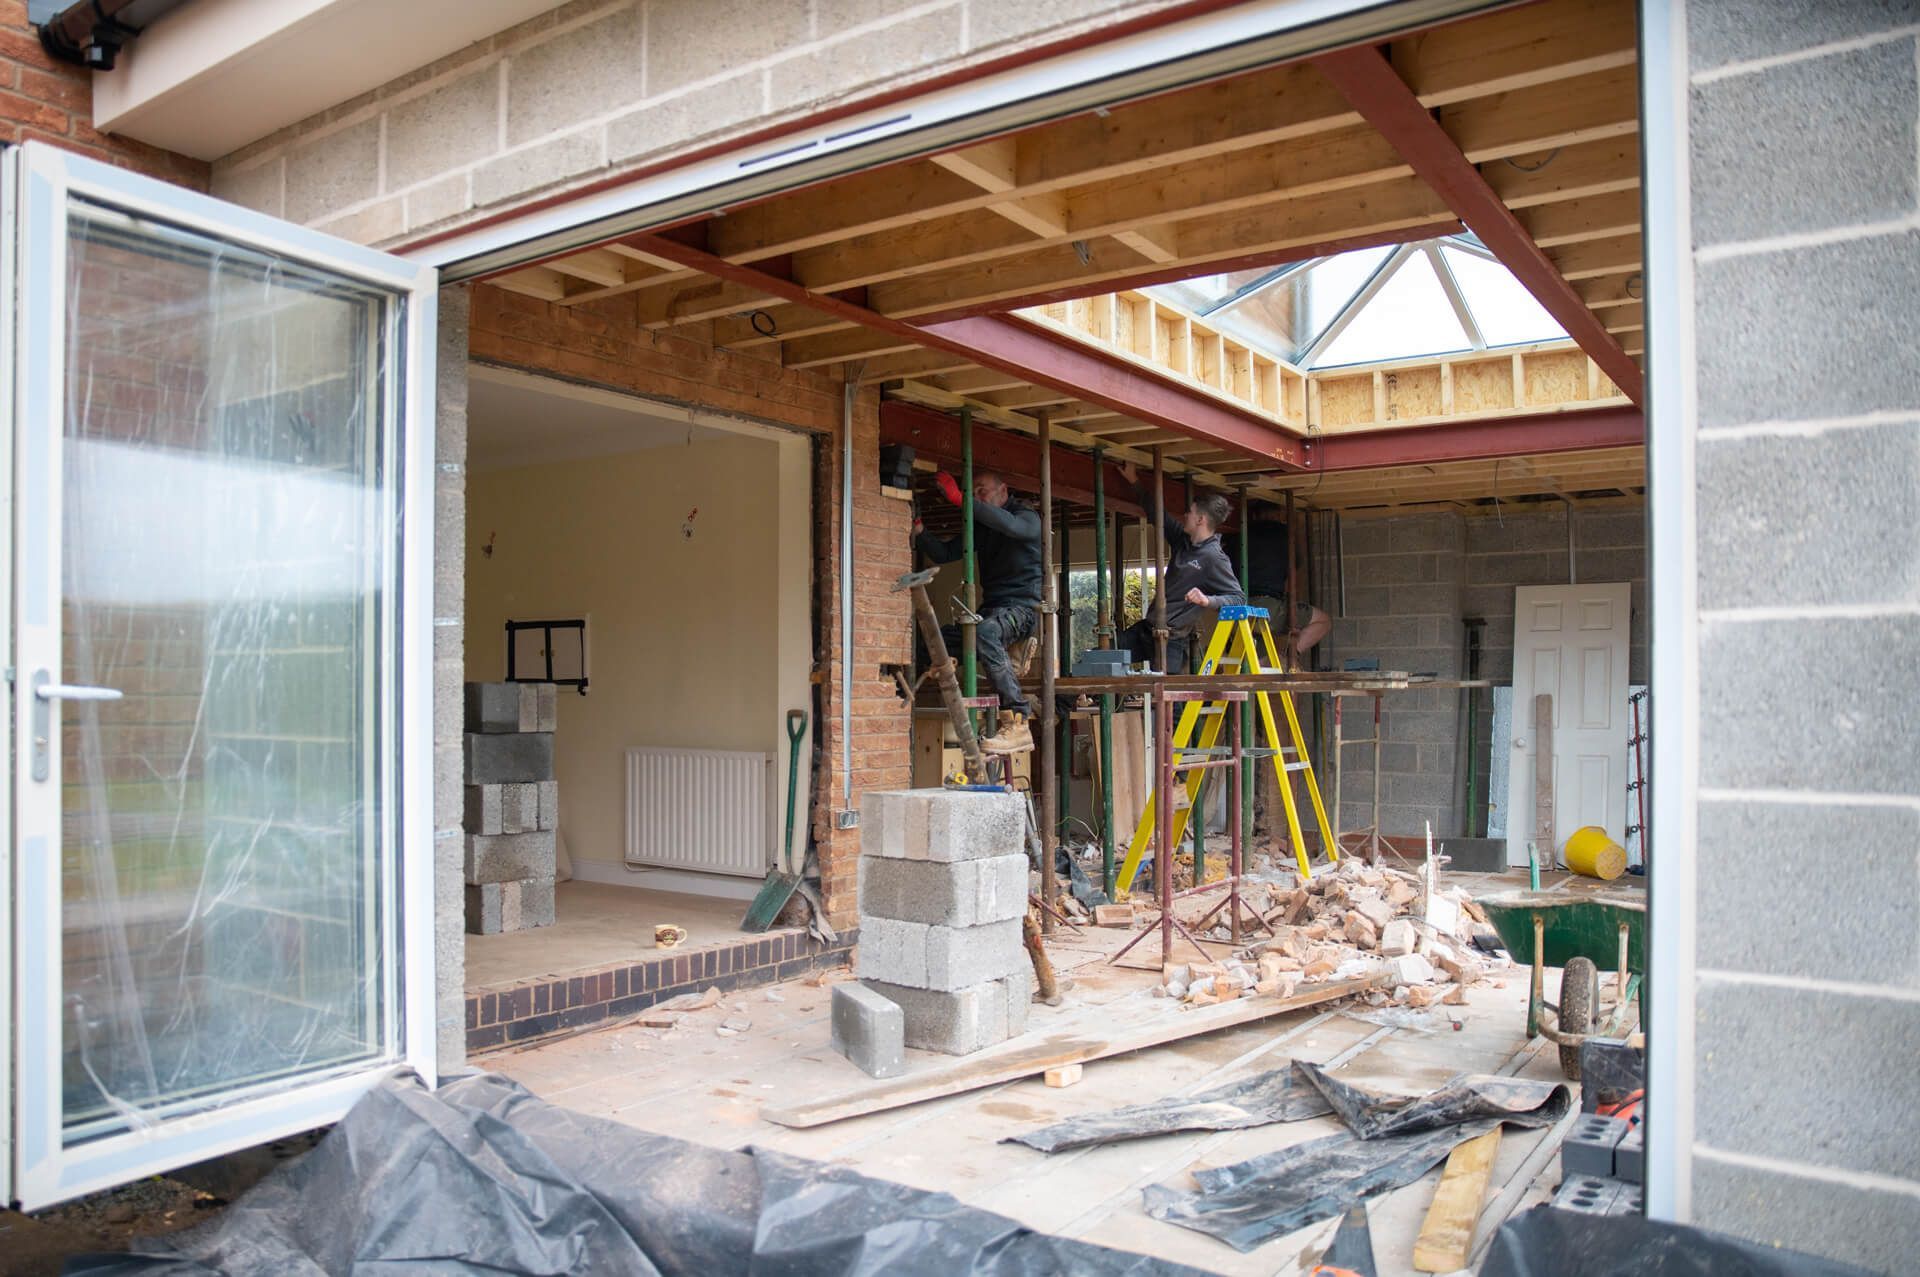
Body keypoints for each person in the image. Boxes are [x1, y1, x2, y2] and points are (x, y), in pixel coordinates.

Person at [914, 468, 1042, 752]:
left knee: (984, 632)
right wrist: (920, 529)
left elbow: (1013, 528)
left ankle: (1018, 720)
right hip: (992, 613)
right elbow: (945, 553)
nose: (976, 497)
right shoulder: (982, 527)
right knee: (930, 639)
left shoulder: (1027, 517)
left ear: (1004, 491)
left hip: (1021, 611)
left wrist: (961, 500)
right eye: (972, 493)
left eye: (981, 490)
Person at [1116, 462, 1245, 673]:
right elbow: (1158, 515)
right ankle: (1062, 704)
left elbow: (1238, 598)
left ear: (1201, 519)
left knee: (1169, 699)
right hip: (1148, 629)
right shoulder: (1182, 540)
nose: (1186, 515)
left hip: (1172, 638)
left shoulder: (1213, 557)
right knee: (1099, 657)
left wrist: (1208, 600)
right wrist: (1134, 481)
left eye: (1190, 512)